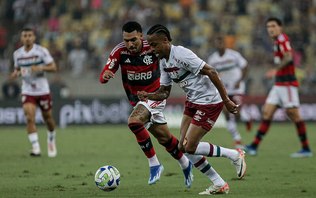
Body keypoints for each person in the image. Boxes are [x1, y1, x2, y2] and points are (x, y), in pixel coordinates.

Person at [137, 24, 246, 195]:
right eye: (149, 45)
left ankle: (234, 154)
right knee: (182, 147)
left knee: (190, 146)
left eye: (154, 44)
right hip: (193, 102)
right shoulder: (164, 61)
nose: (151, 49)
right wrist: (148, 95)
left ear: (165, 41)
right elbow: (165, 92)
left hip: (209, 101)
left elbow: (212, 71)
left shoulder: (181, 54)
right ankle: (219, 183)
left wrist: (226, 100)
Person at [99, 21, 194, 187]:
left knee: (134, 122)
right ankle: (186, 164)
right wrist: (106, 74)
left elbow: (171, 57)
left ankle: (154, 164)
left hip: (155, 95)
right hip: (138, 102)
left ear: (141, 36)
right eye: (127, 40)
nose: (130, 44)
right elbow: (105, 74)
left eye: (133, 39)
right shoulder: (119, 51)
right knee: (165, 139)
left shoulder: (153, 47)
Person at [245, 17, 313, 158]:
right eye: (268, 26)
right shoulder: (277, 41)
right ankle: (254, 146)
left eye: (273, 26)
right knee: (267, 112)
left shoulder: (282, 39)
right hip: (279, 84)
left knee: (293, 114)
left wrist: (275, 70)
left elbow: (288, 57)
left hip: (287, 84)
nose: (271, 29)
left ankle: (306, 148)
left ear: (280, 27)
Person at [10, 27, 58, 157]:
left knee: (47, 118)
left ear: (34, 37)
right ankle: (36, 148)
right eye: (24, 35)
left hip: (42, 90)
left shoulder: (41, 51)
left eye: (29, 35)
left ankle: (51, 138)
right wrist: (15, 74)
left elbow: (53, 67)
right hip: (28, 90)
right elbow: (17, 70)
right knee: (29, 117)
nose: (27, 38)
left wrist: (40, 67)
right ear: (21, 38)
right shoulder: (17, 54)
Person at [207, 35, 252, 149]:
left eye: (221, 42)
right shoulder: (213, 59)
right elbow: (210, 75)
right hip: (223, 89)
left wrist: (240, 80)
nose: (219, 45)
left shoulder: (233, 55)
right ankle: (237, 139)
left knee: (237, 112)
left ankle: (246, 118)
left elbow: (245, 66)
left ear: (224, 44)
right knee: (227, 113)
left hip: (237, 87)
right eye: (217, 43)